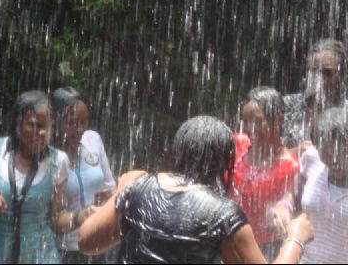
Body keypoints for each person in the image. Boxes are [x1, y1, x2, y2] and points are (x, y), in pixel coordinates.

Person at [79, 116, 313, 264]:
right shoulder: (225, 216)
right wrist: (295, 239)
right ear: (225, 164)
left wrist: (124, 190)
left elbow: (87, 242)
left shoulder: (137, 186)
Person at [0, 91, 93, 264]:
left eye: (47, 127)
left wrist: (79, 217)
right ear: (17, 123)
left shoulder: (58, 161)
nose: (42, 133)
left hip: (41, 257)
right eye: (34, 125)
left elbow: (55, 219)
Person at [271, 107, 348, 264]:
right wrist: (284, 206)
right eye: (326, 154)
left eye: (341, 153)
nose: (334, 161)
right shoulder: (311, 159)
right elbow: (294, 191)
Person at [232, 87, 300, 259]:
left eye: (257, 121)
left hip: (264, 250)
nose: (250, 128)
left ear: (279, 119)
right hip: (229, 241)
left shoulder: (290, 165)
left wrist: (283, 208)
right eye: (246, 121)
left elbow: (289, 197)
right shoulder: (237, 145)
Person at [51, 87, 116, 264]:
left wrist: (109, 197)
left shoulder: (93, 140)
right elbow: (49, 218)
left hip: (101, 243)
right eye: (72, 123)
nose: (80, 129)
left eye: (84, 121)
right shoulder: (49, 158)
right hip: (66, 249)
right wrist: (78, 217)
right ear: (55, 122)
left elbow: (111, 186)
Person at [284, 38, 347, 148]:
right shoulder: (288, 106)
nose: (319, 79)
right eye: (313, 71)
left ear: (343, 75)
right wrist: (294, 152)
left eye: (327, 72)